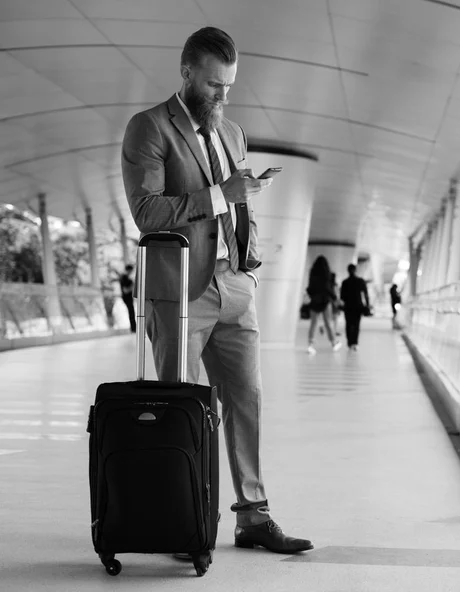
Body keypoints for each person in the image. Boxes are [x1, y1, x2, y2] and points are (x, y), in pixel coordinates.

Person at [121, 27, 312, 555]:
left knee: (247, 401)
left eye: (229, 86)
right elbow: (147, 213)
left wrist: (250, 262)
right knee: (185, 407)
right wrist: (218, 194)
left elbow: (238, 203)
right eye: (213, 85)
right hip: (183, 292)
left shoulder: (232, 133)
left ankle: (252, 518)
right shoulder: (149, 128)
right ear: (186, 74)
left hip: (234, 285)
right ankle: (184, 520)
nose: (223, 97)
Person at [305, 256, 342, 354]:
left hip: (314, 301)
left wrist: (312, 296)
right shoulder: (328, 274)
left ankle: (310, 345)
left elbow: (309, 288)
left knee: (313, 323)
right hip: (325, 301)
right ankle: (334, 343)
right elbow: (328, 288)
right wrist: (334, 298)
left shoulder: (312, 274)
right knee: (328, 323)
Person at [340, 264, 370, 351]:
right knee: (356, 325)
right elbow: (365, 294)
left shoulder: (345, 282)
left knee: (348, 324)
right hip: (358, 306)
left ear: (348, 271)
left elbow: (342, 297)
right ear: (355, 270)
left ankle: (350, 342)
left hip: (348, 307)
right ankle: (355, 343)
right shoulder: (360, 281)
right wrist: (367, 305)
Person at [119, 264, 136, 333]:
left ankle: (133, 328)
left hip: (128, 297)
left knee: (131, 312)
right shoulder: (124, 278)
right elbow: (126, 290)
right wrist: (133, 285)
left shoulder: (126, 278)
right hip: (126, 297)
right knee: (131, 312)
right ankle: (133, 328)